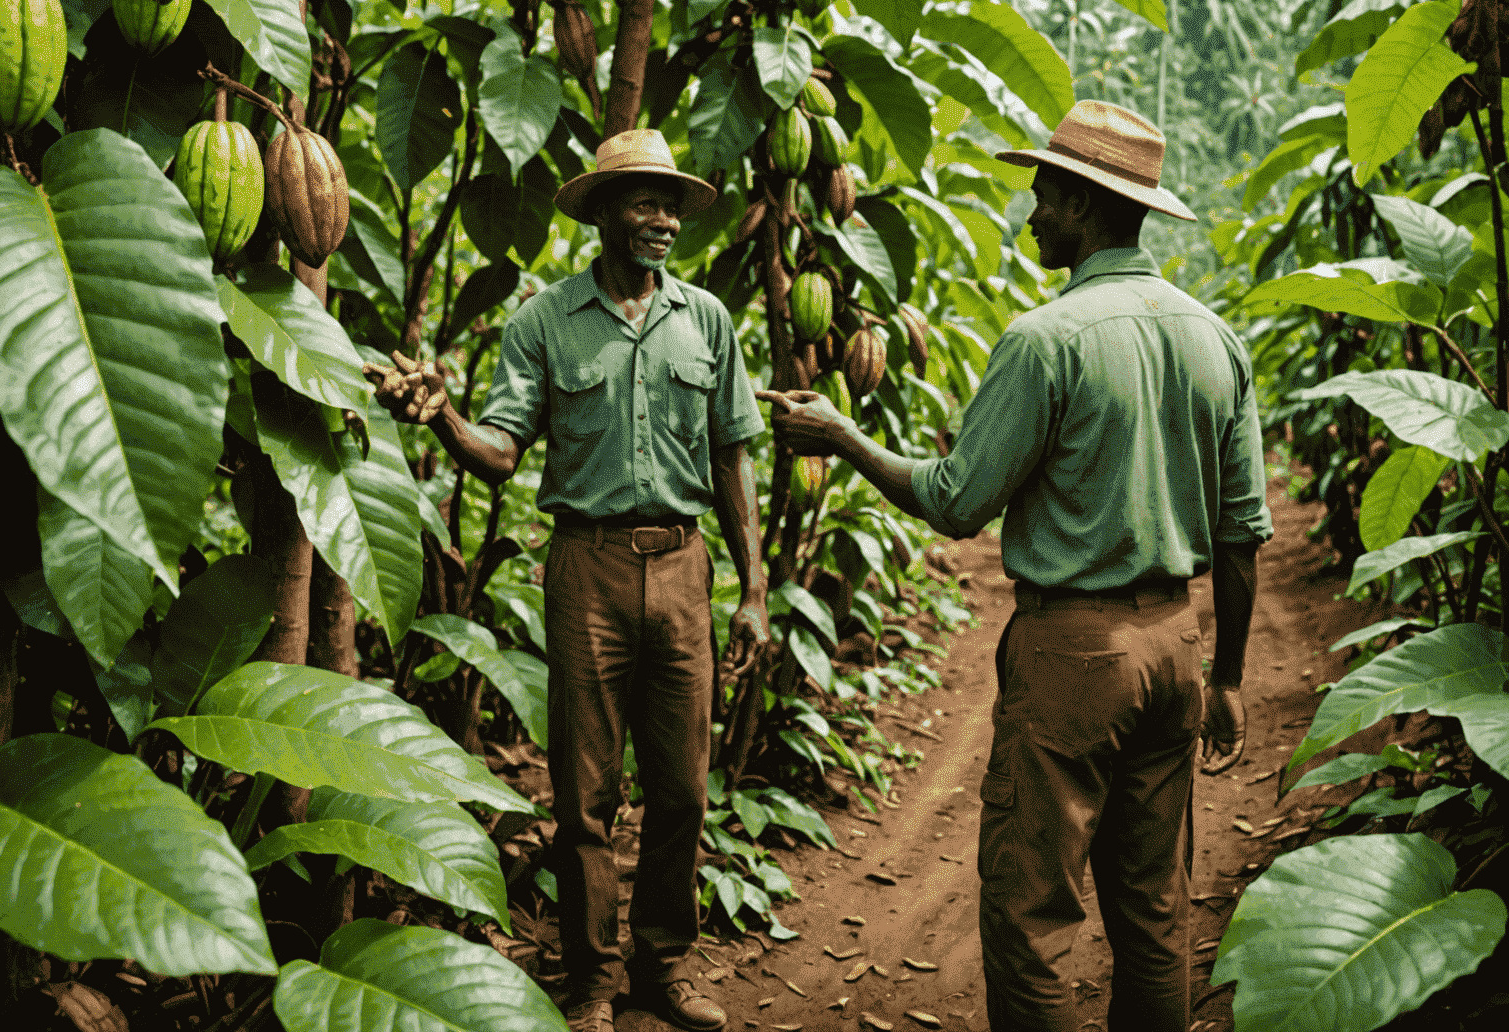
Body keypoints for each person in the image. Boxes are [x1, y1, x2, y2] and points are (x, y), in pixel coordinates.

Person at [762, 100, 1271, 1032]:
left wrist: (842, 437)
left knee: (1032, 911)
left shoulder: (1048, 339)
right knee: (1155, 910)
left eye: (1042, 191)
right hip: (1176, 646)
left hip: (1075, 657)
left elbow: (956, 500)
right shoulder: (1214, 339)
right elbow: (1242, 536)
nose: (1031, 211)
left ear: (1081, 202)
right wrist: (1228, 679)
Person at [365, 129, 768, 1032]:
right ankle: (589, 979)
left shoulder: (705, 319)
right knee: (584, 795)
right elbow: (501, 452)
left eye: (670, 202)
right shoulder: (545, 321)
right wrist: (444, 415)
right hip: (586, 566)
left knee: (683, 791)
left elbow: (733, 454)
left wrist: (754, 589)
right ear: (602, 213)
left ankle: (664, 966)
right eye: (643, 202)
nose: (662, 218)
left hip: (684, 568)